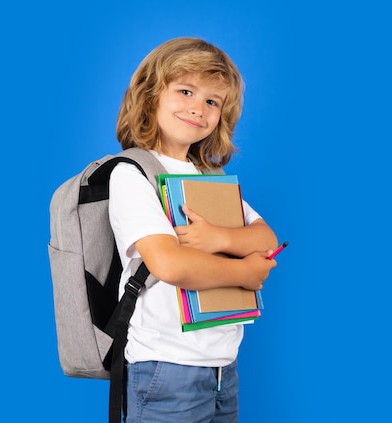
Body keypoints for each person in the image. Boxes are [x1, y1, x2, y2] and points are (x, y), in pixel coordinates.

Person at [108, 37, 279, 423]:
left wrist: (218, 238)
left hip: (222, 366)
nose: (197, 109)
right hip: (167, 368)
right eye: (185, 91)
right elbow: (169, 264)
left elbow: (266, 237)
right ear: (151, 95)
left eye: (212, 102)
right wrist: (243, 271)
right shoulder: (132, 173)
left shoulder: (209, 178)